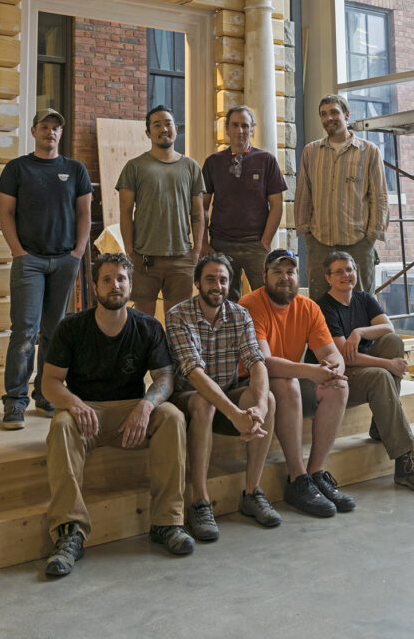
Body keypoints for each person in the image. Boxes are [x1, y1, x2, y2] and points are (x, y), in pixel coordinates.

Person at [41, 253, 192, 577]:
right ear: (95, 287)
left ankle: (167, 523)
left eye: (121, 279)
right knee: (61, 424)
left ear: (131, 285)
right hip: (87, 415)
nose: (115, 285)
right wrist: (73, 403)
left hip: (131, 412)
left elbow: (165, 378)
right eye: (107, 279)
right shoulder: (72, 328)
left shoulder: (148, 326)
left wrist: (146, 405)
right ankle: (70, 533)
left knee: (172, 417)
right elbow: (50, 382)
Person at [165, 254, 281, 541]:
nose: (217, 285)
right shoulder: (178, 316)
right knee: (204, 404)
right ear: (197, 283)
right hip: (188, 397)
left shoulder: (240, 314)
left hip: (227, 393)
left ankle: (252, 492)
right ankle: (201, 502)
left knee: (270, 399)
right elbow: (193, 373)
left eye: (223, 280)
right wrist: (234, 414)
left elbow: (257, 362)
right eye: (210, 279)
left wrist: (260, 407)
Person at [240, 249, 356, 518]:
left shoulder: (308, 307)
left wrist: (334, 368)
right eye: (277, 272)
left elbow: (333, 354)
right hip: (252, 383)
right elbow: (263, 362)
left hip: (292, 376)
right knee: (286, 384)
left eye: (290, 272)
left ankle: (315, 473)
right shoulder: (250, 305)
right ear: (264, 276)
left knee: (339, 385)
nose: (285, 278)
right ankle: (297, 477)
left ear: (297, 276)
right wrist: (311, 370)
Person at [0, 108, 92, 430]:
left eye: (55, 128)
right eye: (45, 127)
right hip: (30, 262)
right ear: (34, 131)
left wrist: (78, 252)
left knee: (55, 332)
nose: (50, 132)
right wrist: (19, 253)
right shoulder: (17, 168)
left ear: (60, 134)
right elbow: (6, 213)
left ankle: (46, 395)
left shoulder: (75, 170)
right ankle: (14, 403)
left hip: (65, 261)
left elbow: (84, 214)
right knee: (25, 331)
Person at [314, 251, 414, 494]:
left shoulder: (363, 298)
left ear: (356, 273)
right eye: (338, 271)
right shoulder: (324, 307)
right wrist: (387, 365)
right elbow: (342, 358)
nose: (345, 275)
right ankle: (405, 462)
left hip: (363, 369)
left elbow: (388, 327)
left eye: (349, 270)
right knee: (382, 374)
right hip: (339, 377)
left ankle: (381, 425)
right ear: (328, 277)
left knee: (393, 341)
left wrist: (359, 332)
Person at [295, 93, 388, 301]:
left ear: (346, 115)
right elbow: (303, 195)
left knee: (361, 301)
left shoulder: (369, 152)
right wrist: (307, 234)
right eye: (323, 114)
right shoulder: (310, 152)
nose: (329, 118)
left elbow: (379, 197)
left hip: (358, 242)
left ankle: (361, 336)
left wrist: (371, 237)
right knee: (320, 303)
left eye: (334, 112)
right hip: (319, 241)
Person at [117, 106, 205, 317]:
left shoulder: (191, 167)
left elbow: (199, 214)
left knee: (178, 322)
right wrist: (130, 253)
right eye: (157, 125)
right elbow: (125, 212)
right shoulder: (134, 167)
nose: (164, 128)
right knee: (144, 320)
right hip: (144, 258)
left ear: (176, 129)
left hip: (181, 258)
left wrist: (196, 251)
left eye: (168, 123)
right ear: (148, 133)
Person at [201, 105, 287, 301]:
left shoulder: (266, 160)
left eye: (245, 126)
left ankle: (263, 333)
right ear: (227, 128)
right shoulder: (213, 162)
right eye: (235, 125)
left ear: (252, 129)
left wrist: (265, 241)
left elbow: (277, 205)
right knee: (223, 300)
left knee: (267, 297)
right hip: (221, 244)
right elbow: (202, 206)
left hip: (255, 244)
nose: (240, 131)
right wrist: (204, 243)